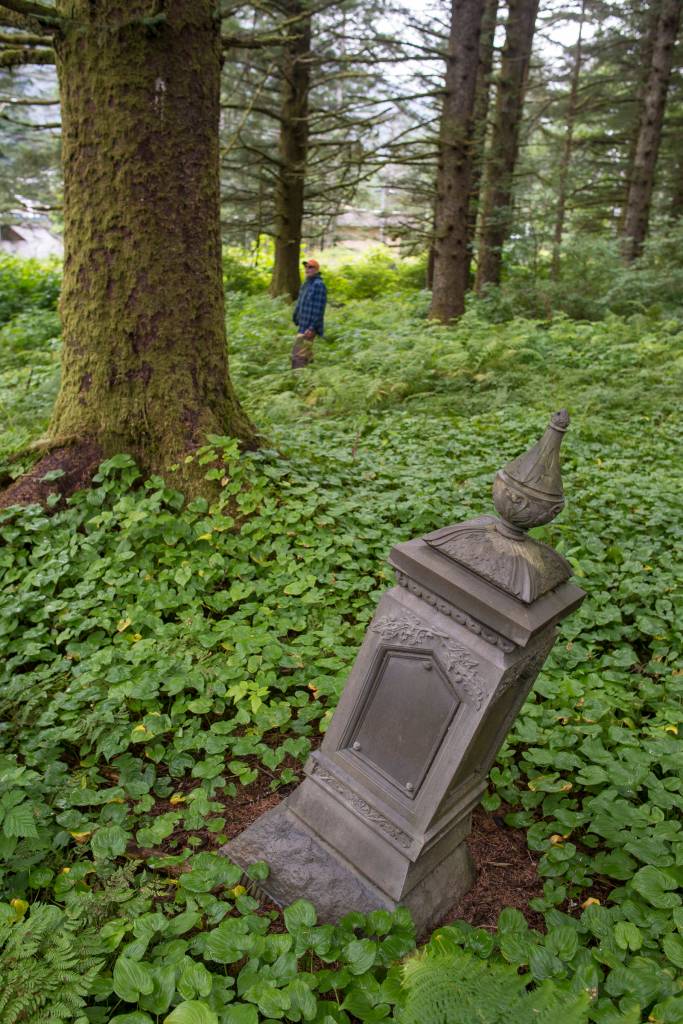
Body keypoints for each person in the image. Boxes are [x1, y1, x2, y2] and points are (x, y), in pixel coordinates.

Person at [291, 258, 327, 369]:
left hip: (309, 327)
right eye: (306, 267)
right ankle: (312, 373)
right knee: (305, 354)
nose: (307, 269)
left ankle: (298, 377)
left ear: (317, 270)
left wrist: (312, 328)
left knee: (298, 356)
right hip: (302, 324)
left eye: (310, 267)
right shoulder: (306, 284)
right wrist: (295, 317)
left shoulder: (319, 285)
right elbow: (300, 302)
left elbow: (319, 309)